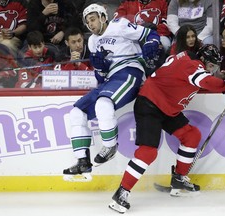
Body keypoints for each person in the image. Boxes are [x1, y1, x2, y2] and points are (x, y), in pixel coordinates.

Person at [108, 44, 225, 214]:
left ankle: (179, 179)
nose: (211, 69)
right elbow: (205, 80)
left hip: (167, 107)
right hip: (150, 104)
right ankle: (121, 193)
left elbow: (198, 79)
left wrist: (224, 86)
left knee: (191, 135)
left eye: (214, 67)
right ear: (202, 60)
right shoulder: (193, 65)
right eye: (210, 65)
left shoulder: (189, 59)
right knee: (148, 152)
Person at [62, 3, 160, 181]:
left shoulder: (120, 25)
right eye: (87, 22)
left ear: (102, 17)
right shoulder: (92, 41)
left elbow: (150, 34)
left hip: (130, 71)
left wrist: (152, 43)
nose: (90, 24)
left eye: (93, 19)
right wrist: (100, 66)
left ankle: (110, 147)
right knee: (76, 112)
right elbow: (101, 78)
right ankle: (82, 161)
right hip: (111, 79)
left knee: (103, 104)